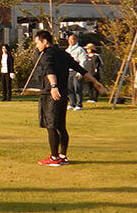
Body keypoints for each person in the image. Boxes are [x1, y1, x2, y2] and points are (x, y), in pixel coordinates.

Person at [32, 30, 106, 166]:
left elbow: (49, 70)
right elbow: (80, 69)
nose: (36, 46)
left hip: (51, 94)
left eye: (37, 43)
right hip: (63, 94)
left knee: (51, 125)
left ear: (45, 41)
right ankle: (63, 155)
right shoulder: (64, 54)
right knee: (61, 126)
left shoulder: (47, 55)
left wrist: (53, 86)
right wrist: (95, 82)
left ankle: (54, 158)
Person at [65, 33, 88, 111]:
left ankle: (79, 104)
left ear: (76, 40)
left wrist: (80, 72)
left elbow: (83, 60)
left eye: (73, 39)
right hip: (68, 71)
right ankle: (72, 103)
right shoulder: (67, 50)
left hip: (76, 70)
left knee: (77, 88)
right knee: (69, 88)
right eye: (69, 40)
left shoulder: (80, 49)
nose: (71, 41)